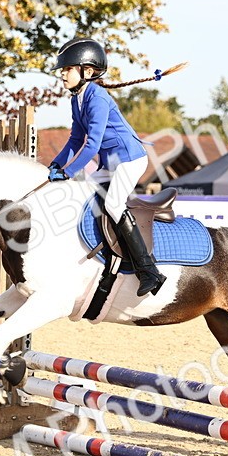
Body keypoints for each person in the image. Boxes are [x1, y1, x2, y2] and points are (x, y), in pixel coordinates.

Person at [47, 37, 185, 296]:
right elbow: (76, 139)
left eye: (67, 69)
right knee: (83, 195)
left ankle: (149, 271)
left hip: (129, 159)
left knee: (113, 204)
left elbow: (91, 145)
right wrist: (55, 163)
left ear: (87, 71)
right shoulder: (77, 98)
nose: (62, 75)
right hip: (110, 161)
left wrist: (67, 171)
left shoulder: (97, 98)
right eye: (62, 70)